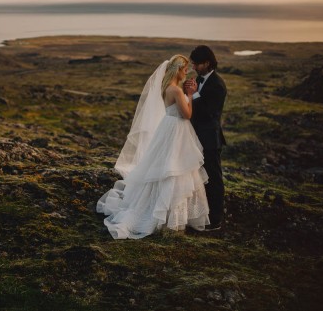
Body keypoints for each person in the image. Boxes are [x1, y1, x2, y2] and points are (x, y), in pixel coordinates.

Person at [97, 55, 210, 239]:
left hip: (167, 128)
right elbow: (187, 114)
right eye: (184, 70)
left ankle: (162, 210)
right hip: (176, 131)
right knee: (174, 169)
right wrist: (190, 94)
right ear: (178, 70)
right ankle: (166, 217)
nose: (186, 73)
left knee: (164, 167)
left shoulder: (165, 88)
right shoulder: (176, 90)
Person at [184, 45, 227, 231]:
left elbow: (209, 113)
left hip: (210, 140)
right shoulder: (198, 80)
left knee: (214, 179)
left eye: (196, 63)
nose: (193, 66)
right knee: (198, 178)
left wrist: (194, 95)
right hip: (196, 138)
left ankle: (215, 219)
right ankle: (200, 215)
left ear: (207, 63)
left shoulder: (217, 85)